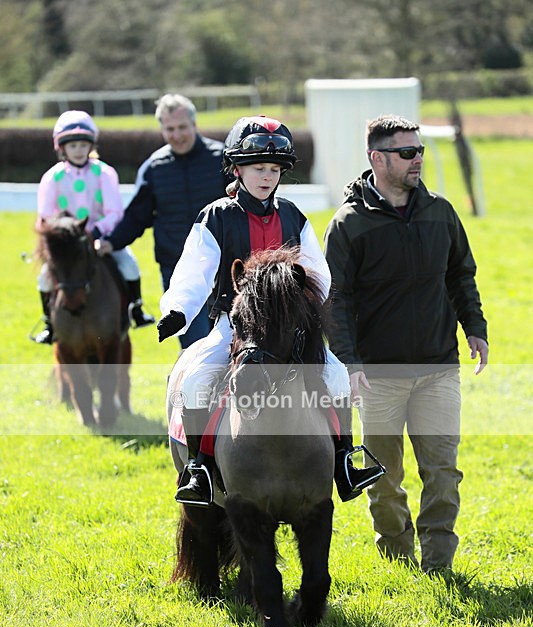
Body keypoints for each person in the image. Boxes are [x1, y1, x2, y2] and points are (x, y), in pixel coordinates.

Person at [157, 115, 384, 505]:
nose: (267, 176)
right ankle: (200, 469)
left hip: (288, 329)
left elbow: (318, 271)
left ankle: (345, 461)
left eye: (275, 169)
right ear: (237, 169)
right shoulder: (217, 216)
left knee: (336, 377)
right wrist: (178, 309)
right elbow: (194, 270)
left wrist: (309, 299)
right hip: (236, 327)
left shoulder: (294, 215)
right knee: (194, 379)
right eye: (258, 167)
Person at [324, 114, 489, 573]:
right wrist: (349, 362)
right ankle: (398, 559)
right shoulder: (348, 225)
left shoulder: (440, 212)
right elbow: (335, 300)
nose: (418, 159)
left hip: (439, 368)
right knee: (385, 477)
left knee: (442, 472)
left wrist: (475, 327)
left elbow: (461, 274)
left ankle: (439, 565)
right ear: (377, 158)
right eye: (406, 152)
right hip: (377, 375)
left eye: (418, 150)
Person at [96, 93, 228, 349]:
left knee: (231, 344)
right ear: (162, 130)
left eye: (182, 127)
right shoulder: (155, 167)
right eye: (169, 129)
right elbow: (136, 216)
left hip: (225, 266)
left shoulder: (221, 158)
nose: (176, 135)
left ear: (194, 124)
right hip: (178, 269)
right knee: (195, 348)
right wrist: (111, 243)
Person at [33, 110, 154, 344]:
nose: (78, 150)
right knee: (44, 278)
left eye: (82, 144)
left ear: (91, 145)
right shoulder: (52, 178)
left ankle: (136, 310)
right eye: (73, 145)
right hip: (67, 243)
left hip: (102, 237)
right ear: (62, 148)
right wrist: (67, 237)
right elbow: (46, 215)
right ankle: (49, 323)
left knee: (130, 265)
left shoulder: (105, 173)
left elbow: (114, 212)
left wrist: (93, 233)